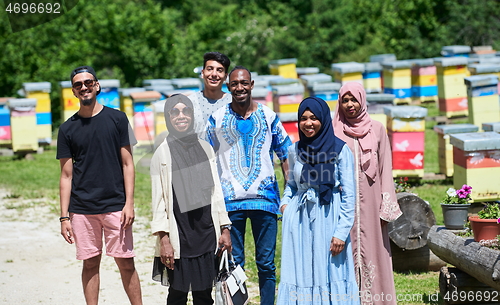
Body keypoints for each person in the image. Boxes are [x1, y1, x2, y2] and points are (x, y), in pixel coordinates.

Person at [205, 66, 292, 305]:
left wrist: (289, 195)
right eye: (234, 84)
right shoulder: (218, 119)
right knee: (234, 264)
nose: (240, 88)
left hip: (265, 200)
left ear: (252, 85)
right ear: (228, 87)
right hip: (230, 202)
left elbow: (285, 155)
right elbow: (205, 157)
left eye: (244, 83)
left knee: (266, 263)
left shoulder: (269, 116)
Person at [57, 66, 143, 305]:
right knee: (90, 263)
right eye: (78, 84)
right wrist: (64, 217)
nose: (83, 87)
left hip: (116, 205)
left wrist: (129, 203)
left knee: (126, 263)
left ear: (96, 85)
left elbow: (128, 164)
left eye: (88, 82)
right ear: (74, 91)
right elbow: (66, 176)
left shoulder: (117, 119)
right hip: (83, 209)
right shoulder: (67, 129)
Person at [150, 94, 232, 305]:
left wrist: (224, 228)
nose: (181, 116)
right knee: (177, 294)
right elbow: (158, 201)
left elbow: (216, 191)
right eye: (175, 112)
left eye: (186, 111)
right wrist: (164, 240)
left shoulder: (205, 148)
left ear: (192, 114)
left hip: (205, 232)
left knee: (204, 295)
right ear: (168, 117)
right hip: (180, 235)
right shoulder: (162, 153)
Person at [277, 97, 359, 305]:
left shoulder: (340, 150)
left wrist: (341, 233)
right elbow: (292, 185)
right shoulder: (294, 150)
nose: (308, 123)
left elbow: (350, 196)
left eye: (313, 118)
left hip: (329, 217)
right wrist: (285, 205)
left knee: (330, 271)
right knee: (301, 271)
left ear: (323, 119)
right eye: (303, 119)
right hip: (300, 220)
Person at [333, 82, 402, 305]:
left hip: (372, 205)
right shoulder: (334, 129)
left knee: (375, 250)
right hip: (342, 204)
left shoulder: (378, 129)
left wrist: (386, 204)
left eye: (354, 99)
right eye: (345, 100)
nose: (350, 105)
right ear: (339, 102)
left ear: (363, 100)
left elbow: (385, 169)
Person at [189, 51, 232, 136]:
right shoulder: (190, 102)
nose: (214, 74)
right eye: (210, 69)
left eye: (219, 70)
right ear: (203, 73)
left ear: (225, 77)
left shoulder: (234, 103)